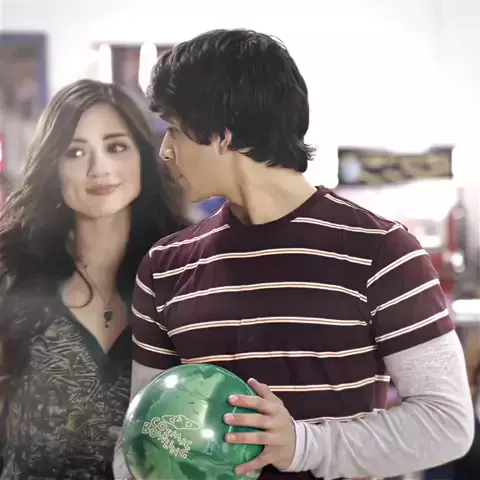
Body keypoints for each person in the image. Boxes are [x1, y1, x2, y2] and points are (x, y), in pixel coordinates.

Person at [114, 30, 474, 480]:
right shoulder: (166, 266)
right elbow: (140, 436)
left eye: (174, 129)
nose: (165, 151)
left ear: (223, 134)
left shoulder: (382, 251)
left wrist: (304, 446)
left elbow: (447, 423)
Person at [0, 79, 188, 479]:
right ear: (53, 167)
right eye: (75, 152)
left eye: (115, 147)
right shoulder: (12, 274)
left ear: (143, 156)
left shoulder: (185, 276)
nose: (98, 168)